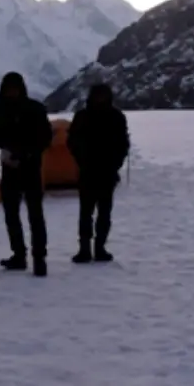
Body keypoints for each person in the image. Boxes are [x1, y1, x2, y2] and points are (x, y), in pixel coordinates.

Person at [0, 72, 53, 276]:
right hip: (11, 168)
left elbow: (45, 137)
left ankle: (39, 259)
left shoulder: (34, 109)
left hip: (29, 167)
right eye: (8, 88)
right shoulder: (1, 110)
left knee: (35, 215)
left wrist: (25, 151)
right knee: (12, 215)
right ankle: (19, 255)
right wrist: (7, 147)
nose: (11, 92)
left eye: (14, 88)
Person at [67, 83, 130, 263]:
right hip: (88, 171)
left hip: (106, 172)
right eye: (98, 96)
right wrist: (82, 160)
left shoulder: (116, 117)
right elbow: (72, 142)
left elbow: (122, 144)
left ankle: (100, 247)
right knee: (86, 213)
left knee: (103, 213)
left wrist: (115, 163)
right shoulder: (83, 117)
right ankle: (85, 249)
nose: (100, 99)